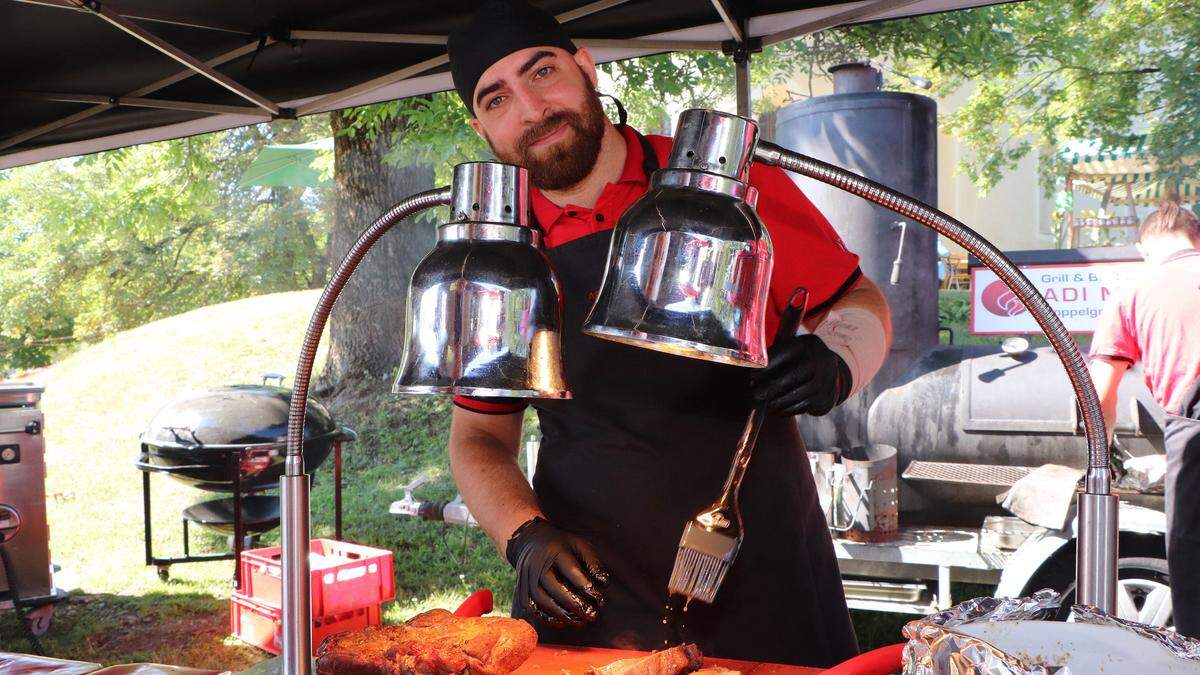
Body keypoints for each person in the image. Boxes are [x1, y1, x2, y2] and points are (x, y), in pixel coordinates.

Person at [443, 0, 892, 666]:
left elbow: (859, 300)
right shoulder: (502, 254)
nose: (532, 108)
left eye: (543, 71)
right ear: (482, 126)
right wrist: (524, 535)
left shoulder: (725, 186)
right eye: (498, 97)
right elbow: (478, 437)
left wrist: (839, 359)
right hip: (589, 590)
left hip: (759, 561)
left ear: (587, 66)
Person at [1089, 197, 1200, 637]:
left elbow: (1100, 391)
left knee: (1192, 555)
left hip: (1194, 430)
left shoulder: (1134, 290)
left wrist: (1102, 458)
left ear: (1145, 247)